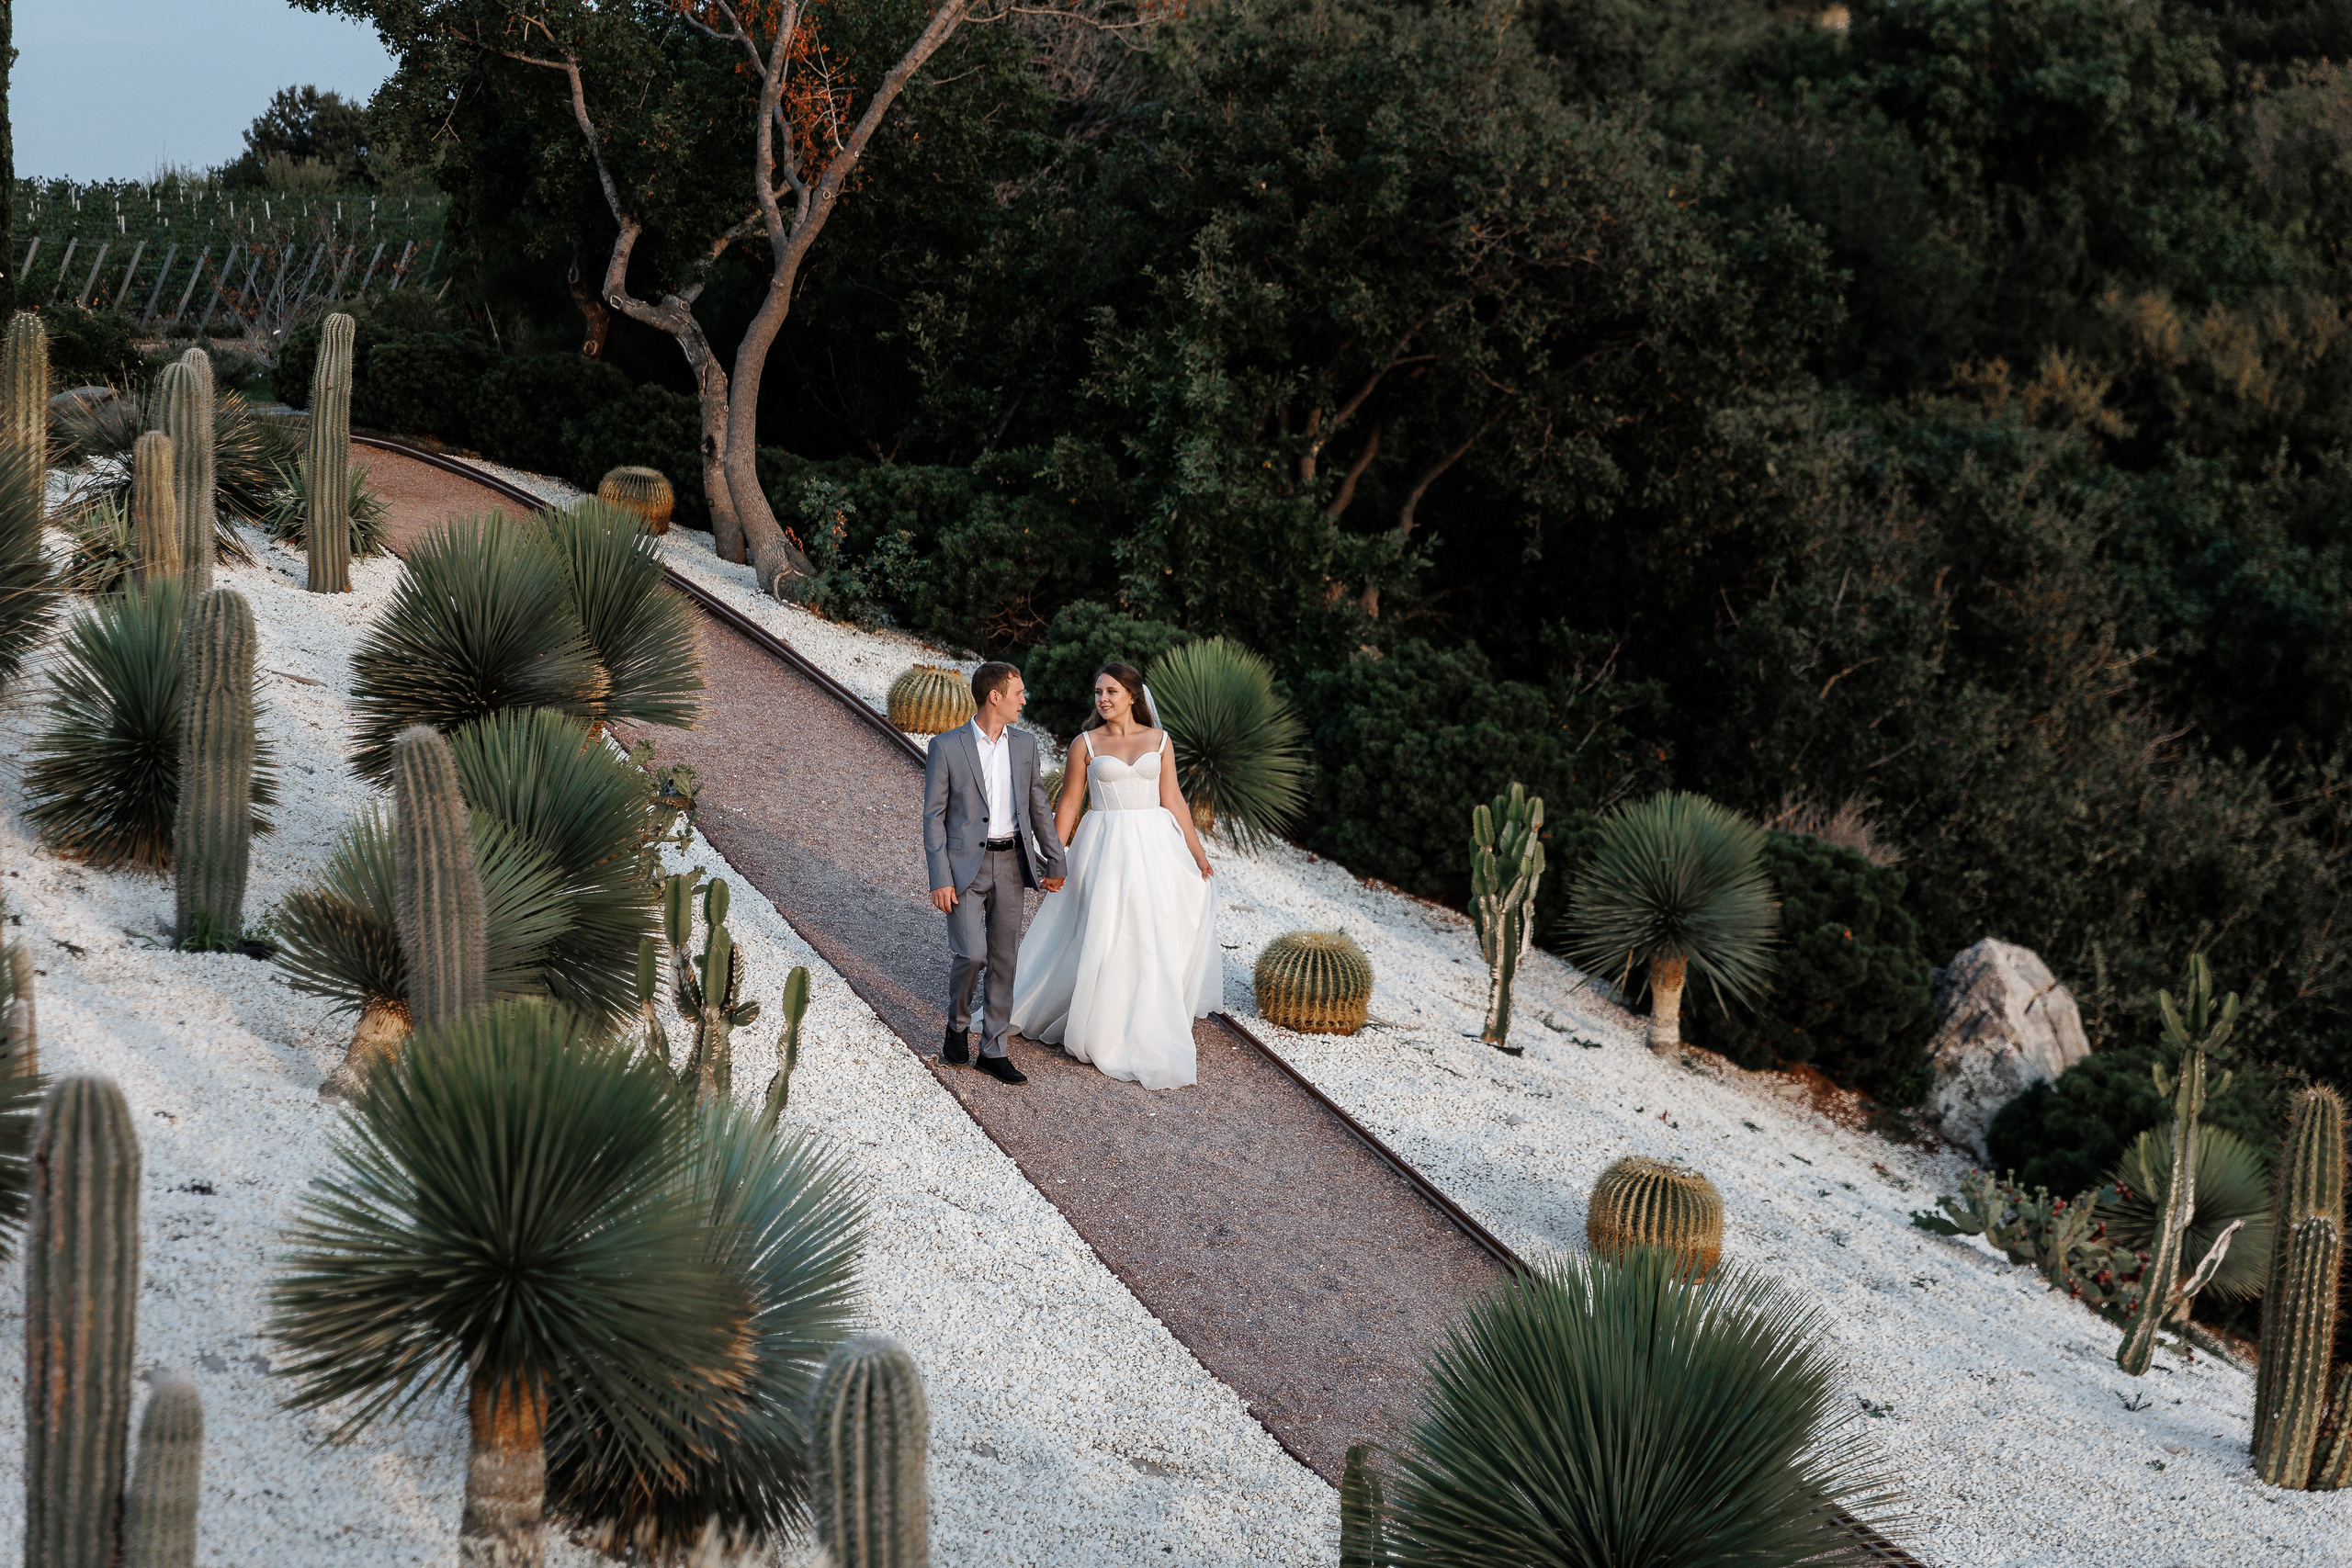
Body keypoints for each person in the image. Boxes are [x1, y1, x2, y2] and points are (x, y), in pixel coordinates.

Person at [1010, 661, 1219, 1089]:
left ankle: (1144, 1015)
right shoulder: (1085, 743)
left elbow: (1173, 800)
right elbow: (1069, 804)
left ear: (1132, 696)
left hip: (1155, 844)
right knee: (1103, 929)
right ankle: (1095, 1018)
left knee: (1149, 929)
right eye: (1098, 692)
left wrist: (1197, 854)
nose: (1102, 700)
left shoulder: (1160, 741)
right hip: (1104, 842)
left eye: (1111, 692)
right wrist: (1056, 857)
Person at [923, 662, 1068, 1085]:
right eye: (1018, 693)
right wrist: (940, 877)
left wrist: (1055, 860)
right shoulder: (947, 746)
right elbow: (933, 816)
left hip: (1011, 864)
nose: (1024, 700)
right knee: (972, 954)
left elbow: (1039, 806)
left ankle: (993, 1050)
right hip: (964, 866)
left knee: (1005, 960)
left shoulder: (1025, 746)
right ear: (995, 697)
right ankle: (957, 1026)